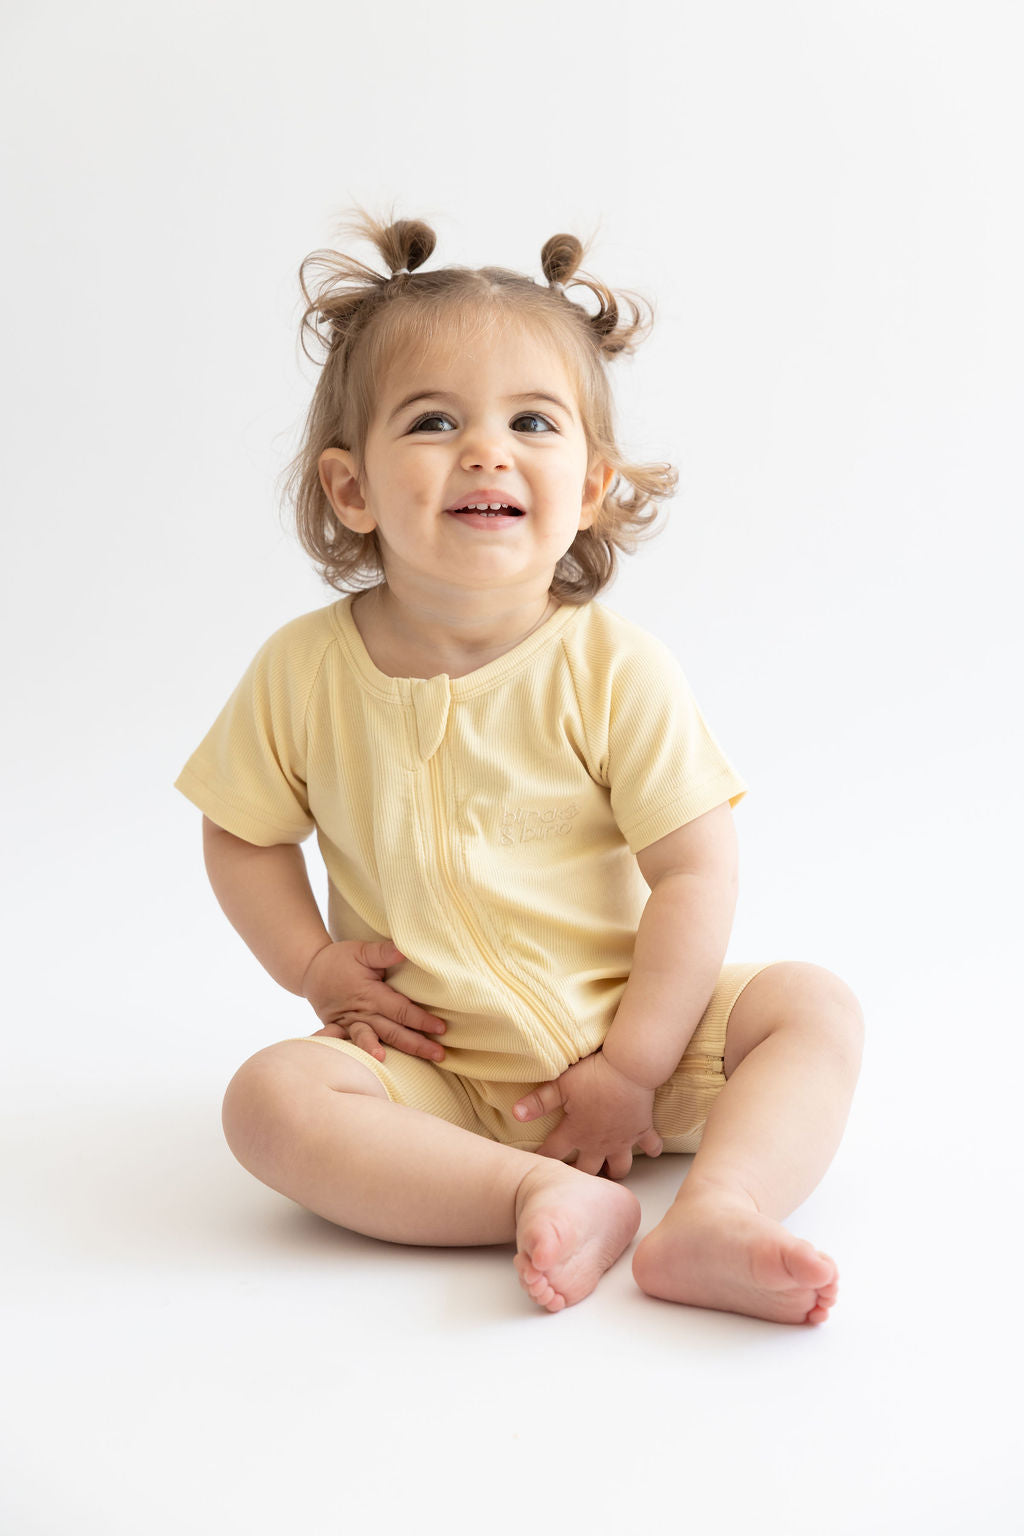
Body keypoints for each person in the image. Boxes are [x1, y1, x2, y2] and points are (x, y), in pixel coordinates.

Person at [175, 211, 864, 1324]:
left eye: (531, 421)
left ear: (588, 487)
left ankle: (718, 1212)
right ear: (352, 489)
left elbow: (695, 871)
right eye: (434, 420)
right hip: (433, 1072)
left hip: (635, 1034)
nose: (487, 451)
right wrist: (313, 967)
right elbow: (241, 832)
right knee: (269, 1099)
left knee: (810, 1008)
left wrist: (633, 1067)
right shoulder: (303, 671)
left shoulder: (612, 669)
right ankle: (532, 1192)